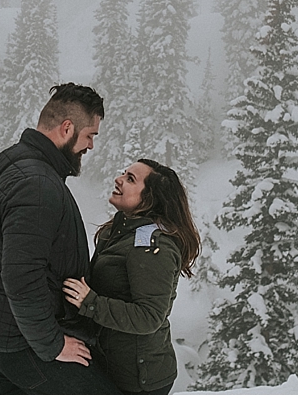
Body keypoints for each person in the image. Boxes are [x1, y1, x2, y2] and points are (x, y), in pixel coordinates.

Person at [0, 83, 120, 394]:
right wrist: (53, 344)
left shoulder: (8, 160)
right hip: (21, 342)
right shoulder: (37, 185)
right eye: (90, 136)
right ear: (67, 128)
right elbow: (20, 274)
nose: (90, 146)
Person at [63, 159, 201, 394]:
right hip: (113, 364)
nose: (119, 179)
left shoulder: (152, 247)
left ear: (149, 199)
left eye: (130, 179)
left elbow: (149, 317)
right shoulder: (118, 231)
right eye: (124, 174)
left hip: (139, 380)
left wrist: (91, 303)